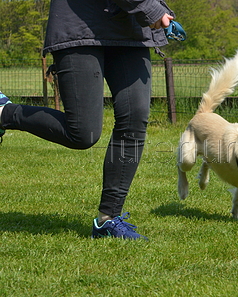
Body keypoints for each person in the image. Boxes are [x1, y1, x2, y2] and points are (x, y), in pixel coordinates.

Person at [0, 0, 176, 240]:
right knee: (82, 133)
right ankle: (4, 113)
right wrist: (152, 9)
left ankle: (108, 219)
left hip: (129, 29)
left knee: (135, 119)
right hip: (81, 24)